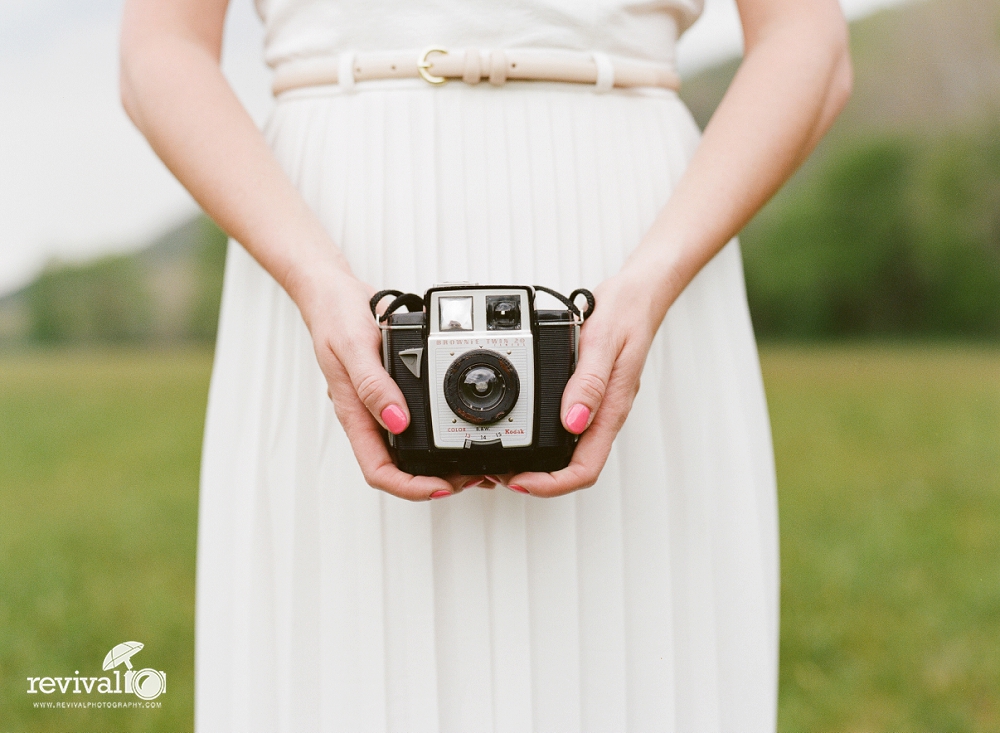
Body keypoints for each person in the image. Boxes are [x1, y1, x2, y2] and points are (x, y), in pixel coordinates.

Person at [121, 0, 851, 729]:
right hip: (314, 235)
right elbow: (159, 48)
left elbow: (807, 39)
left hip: (647, 244)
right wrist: (311, 272)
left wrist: (657, 273)